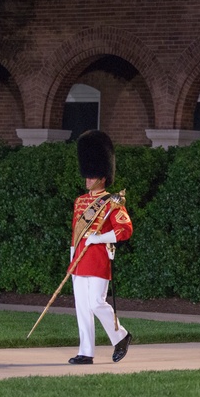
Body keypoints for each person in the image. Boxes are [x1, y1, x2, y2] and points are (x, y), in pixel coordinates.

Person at [68, 130, 134, 365]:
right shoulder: (80, 201)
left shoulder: (112, 202)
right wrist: (72, 253)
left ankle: (122, 335)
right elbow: (76, 231)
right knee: (82, 307)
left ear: (103, 177)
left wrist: (100, 238)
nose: (87, 179)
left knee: (96, 302)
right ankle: (86, 351)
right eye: (87, 175)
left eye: (92, 175)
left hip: (97, 257)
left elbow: (125, 231)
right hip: (79, 259)